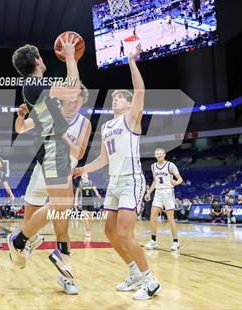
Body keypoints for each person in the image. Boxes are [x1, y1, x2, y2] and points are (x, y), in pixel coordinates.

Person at [74, 43, 161, 300]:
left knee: (124, 232)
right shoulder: (107, 126)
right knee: (109, 232)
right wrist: (82, 169)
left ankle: (151, 280)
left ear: (127, 103)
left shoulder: (131, 118)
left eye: (119, 98)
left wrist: (132, 62)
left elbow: (140, 90)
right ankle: (134, 272)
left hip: (131, 181)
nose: (115, 100)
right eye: (113, 98)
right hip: (113, 182)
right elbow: (103, 158)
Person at [7, 34, 81, 279]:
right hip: (52, 149)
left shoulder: (35, 87)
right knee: (60, 205)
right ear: (38, 61)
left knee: (64, 207)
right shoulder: (34, 85)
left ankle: (63, 253)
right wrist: (70, 56)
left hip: (55, 147)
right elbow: (73, 90)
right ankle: (19, 240)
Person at [15, 82, 91, 295]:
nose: (76, 104)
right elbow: (20, 129)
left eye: (80, 101)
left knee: (62, 226)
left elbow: (80, 153)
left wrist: (65, 138)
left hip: (64, 172)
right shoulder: (49, 114)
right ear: (65, 97)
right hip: (42, 169)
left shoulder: (84, 123)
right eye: (73, 99)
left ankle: (66, 275)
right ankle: (25, 242)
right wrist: (21, 116)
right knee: (30, 223)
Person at [144, 148, 183, 251]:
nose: (158, 155)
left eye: (160, 154)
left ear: (164, 155)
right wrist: (149, 192)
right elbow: (155, 181)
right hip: (158, 192)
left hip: (168, 192)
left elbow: (180, 179)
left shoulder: (170, 165)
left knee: (170, 218)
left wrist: (176, 182)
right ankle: (153, 241)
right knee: (152, 216)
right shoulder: (153, 166)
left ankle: (176, 242)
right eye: (156, 154)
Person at [75, 173, 101, 238]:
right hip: (83, 201)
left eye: (85, 175)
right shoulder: (80, 183)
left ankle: (85, 226)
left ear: (87, 176)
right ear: (81, 177)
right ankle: (87, 230)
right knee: (85, 216)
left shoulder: (91, 182)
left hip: (91, 201)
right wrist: (76, 201)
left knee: (91, 218)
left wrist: (97, 194)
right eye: (83, 175)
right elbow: (77, 193)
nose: (84, 176)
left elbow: (95, 189)